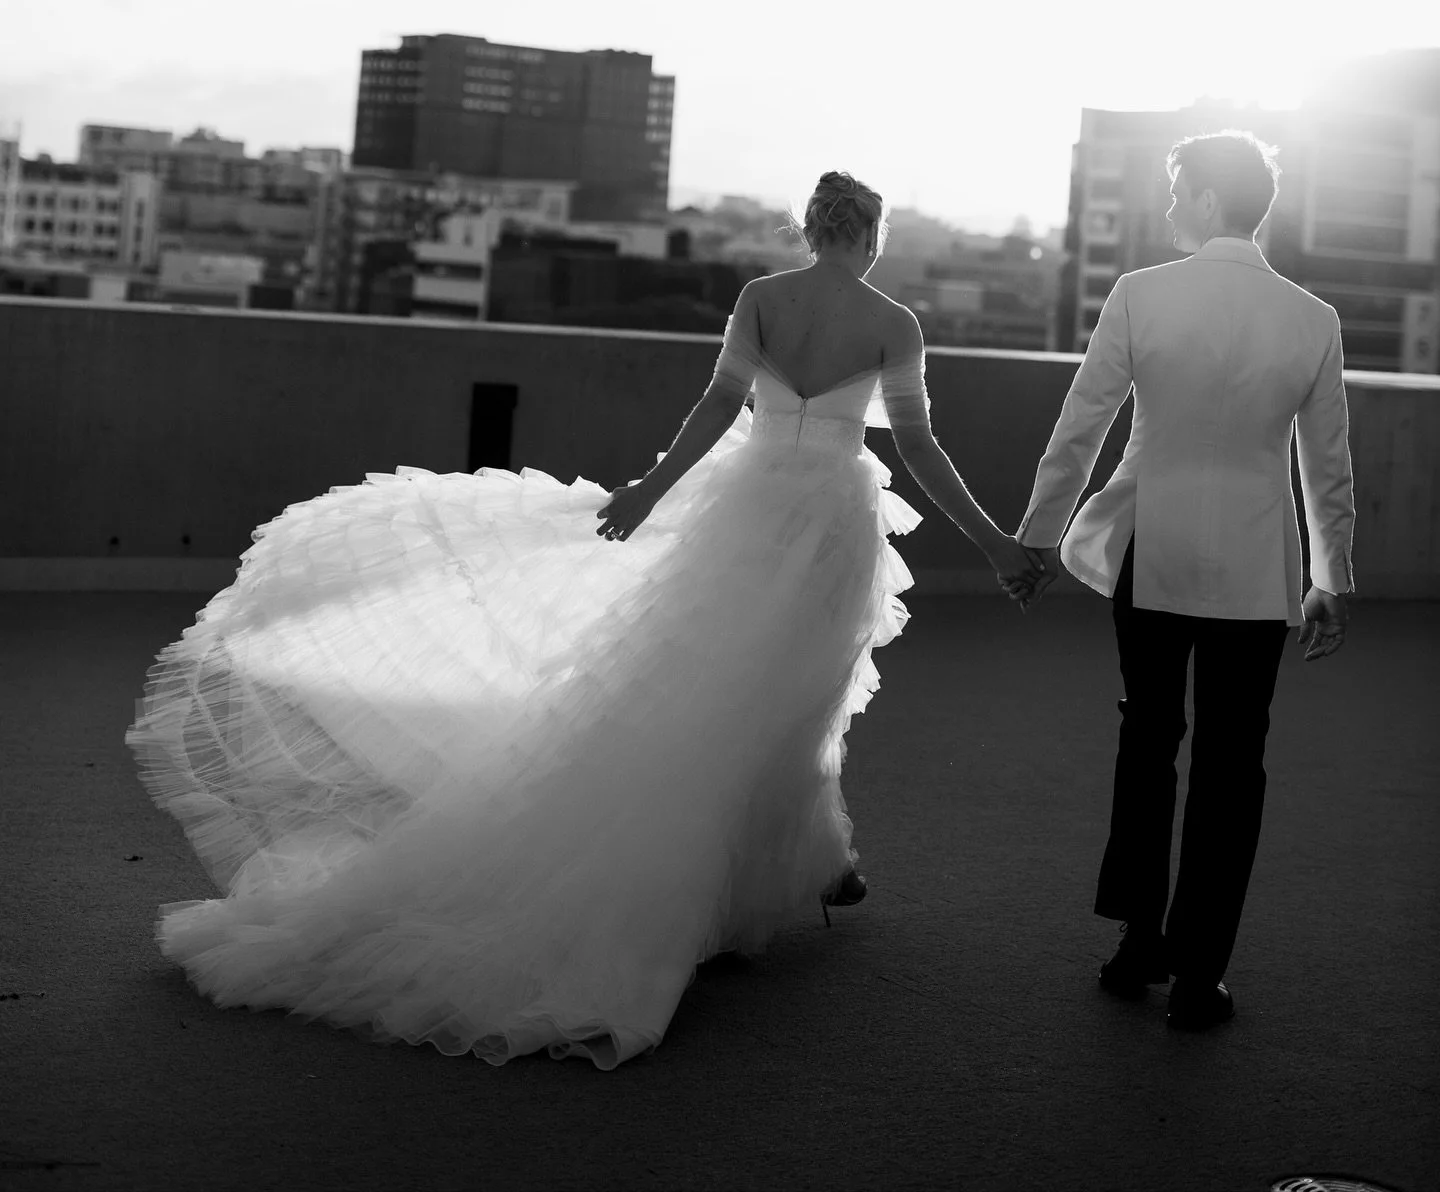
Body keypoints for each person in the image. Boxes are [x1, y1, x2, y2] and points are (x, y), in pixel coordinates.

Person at [127, 170, 1042, 1069]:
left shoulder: (764, 296)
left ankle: (808, 864)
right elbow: (917, 446)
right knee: (795, 701)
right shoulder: (894, 324)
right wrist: (999, 543)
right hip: (833, 523)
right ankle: (754, 879)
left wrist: (649, 491)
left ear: (811, 231)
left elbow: (718, 407)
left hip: (747, 508)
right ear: (871, 237)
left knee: (714, 692)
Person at [1004, 129, 1355, 1031]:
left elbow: (1080, 425)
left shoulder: (1140, 294)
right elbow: (1328, 467)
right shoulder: (1313, 319)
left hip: (1150, 551)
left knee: (1147, 741)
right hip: (1254, 565)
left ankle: (1136, 945)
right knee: (1234, 767)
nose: (1167, 208)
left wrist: (1039, 539)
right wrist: (1332, 577)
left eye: (1175, 191)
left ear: (1204, 200)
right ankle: (1200, 976)